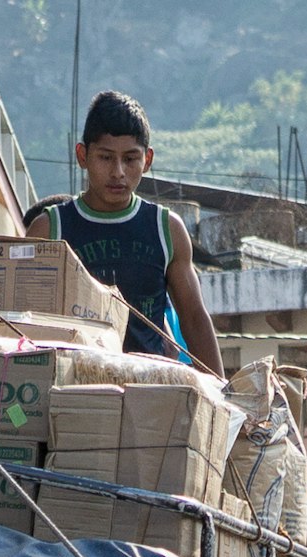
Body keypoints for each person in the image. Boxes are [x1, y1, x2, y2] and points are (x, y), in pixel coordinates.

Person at [27, 93, 222, 371]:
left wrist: (226, 397)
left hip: (150, 393)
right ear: (82, 156)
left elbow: (194, 319)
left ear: (148, 160)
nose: (118, 172)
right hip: (72, 394)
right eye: (105, 157)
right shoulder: (49, 229)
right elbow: (24, 322)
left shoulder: (167, 229)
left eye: (130, 159)